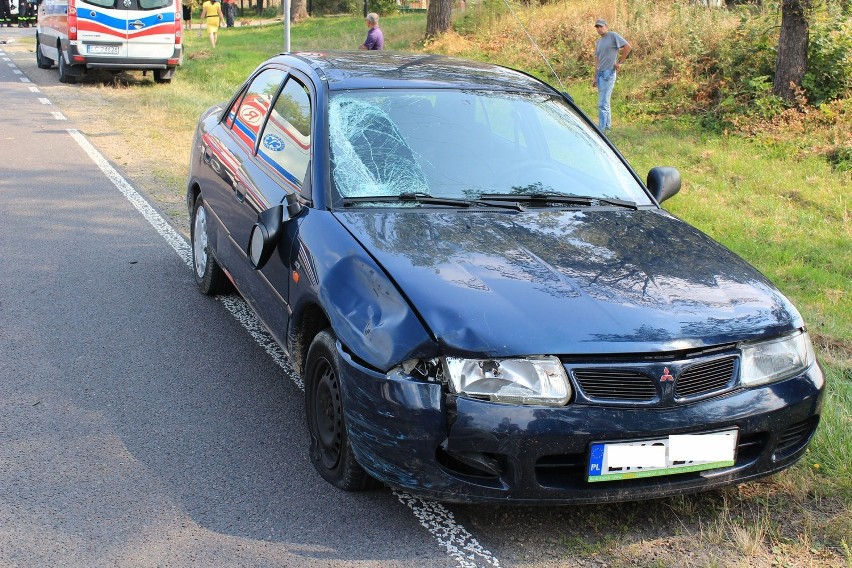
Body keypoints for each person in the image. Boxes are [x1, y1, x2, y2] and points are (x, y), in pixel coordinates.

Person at [592, 18, 631, 131]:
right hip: (600, 74)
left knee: (602, 103)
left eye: (601, 26)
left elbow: (627, 47)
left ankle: (602, 129)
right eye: (597, 27)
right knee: (605, 102)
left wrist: (620, 62)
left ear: (606, 26)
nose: (599, 29)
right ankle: (607, 126)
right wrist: (595, 77)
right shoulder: (599, 42)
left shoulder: (613, 36)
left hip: (608, 73)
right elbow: (597, 59)